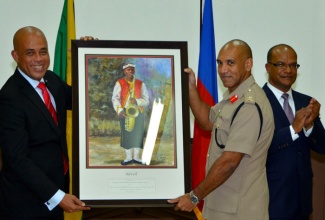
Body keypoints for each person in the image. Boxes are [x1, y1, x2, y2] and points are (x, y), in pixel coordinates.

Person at [168, 39, 274, 219]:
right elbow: (208, 122)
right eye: (220, 63)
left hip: (240, 210)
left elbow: (230, 161)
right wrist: (190, 87)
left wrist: (194, 197)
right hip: (224, 205)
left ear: (248, 64)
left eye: (230, 63)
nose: (223, 70)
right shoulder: (235, 98)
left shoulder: (249, 105)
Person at [0, 26, 90, 219]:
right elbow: (18, 160)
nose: (39, 59)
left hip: (56, 196)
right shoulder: (9, 98)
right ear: (15, 56)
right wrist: (57, 196)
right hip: (26, 205)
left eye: (43, 51)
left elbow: (84, 100)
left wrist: (91, 58)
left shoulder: (50, 80)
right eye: (30, 53)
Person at [263, 44, 325, 220]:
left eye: (293, 65)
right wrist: (292, 129)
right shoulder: (256, 103)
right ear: (268, 67)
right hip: (270, 199)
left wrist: (309, 126)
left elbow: (322, 147)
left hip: (301, 200)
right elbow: (257, 148)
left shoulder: (305, 101)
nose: (288, 70)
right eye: (281, 64)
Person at [112, 63, 149, 165]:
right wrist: (119, 110)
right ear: (124, 71)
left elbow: (147, 100)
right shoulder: (119, 83)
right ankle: (128, 158)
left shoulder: (141, 84)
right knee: (126, 134)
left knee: (138, 135)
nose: (131, 72)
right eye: (128, 70)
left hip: (138, 112)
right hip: (125, 111)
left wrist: (137, 101)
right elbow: (115, 99)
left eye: (132, 70)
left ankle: (137, 157)